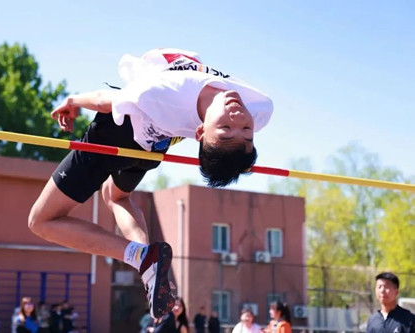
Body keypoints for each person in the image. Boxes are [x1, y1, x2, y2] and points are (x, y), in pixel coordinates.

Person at [28, 48, 273, 319]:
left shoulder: (162, 91)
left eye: (226, 129)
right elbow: (240, 148)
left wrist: (73, 100)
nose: (238, 120)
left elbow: (105, 100)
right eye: (246, 132)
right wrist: (240, 152)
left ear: (201, 131)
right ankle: (149, 268)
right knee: (115, 196)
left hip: (111, 139)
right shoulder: (259, 107)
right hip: (151, 148)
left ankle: (139, 257)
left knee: (41, 221)